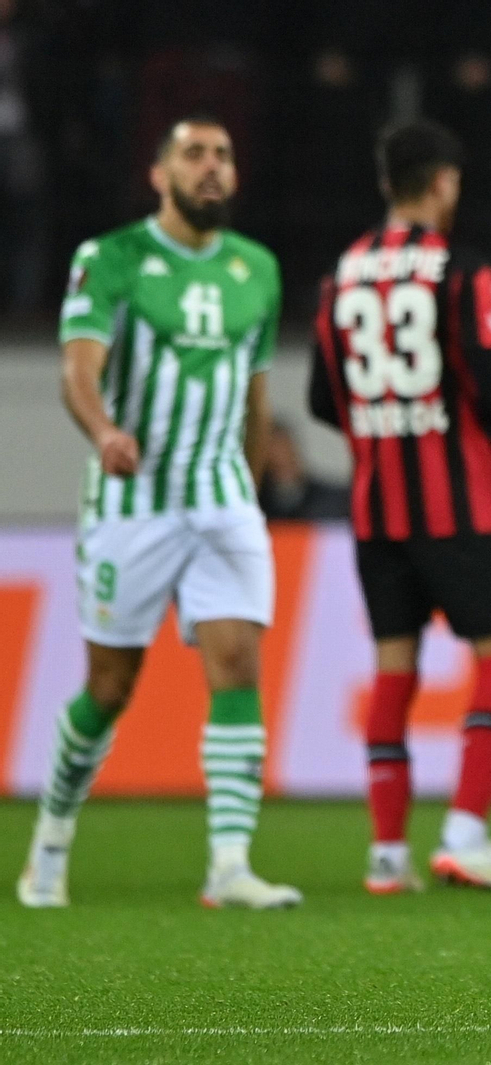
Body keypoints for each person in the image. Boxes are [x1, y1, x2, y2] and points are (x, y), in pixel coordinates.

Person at [19, 116, 299, 910]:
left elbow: (255, 388)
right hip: (133, 503)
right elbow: (80, 368)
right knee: (110, 685)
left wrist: (248, 484)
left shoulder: (258, 269)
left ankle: (230, 864)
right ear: (160, 174)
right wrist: (105, 432)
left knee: (238, 663)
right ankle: (52, 839)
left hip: (221, 500)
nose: (211, 168)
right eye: (194, 155)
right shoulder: (110, 259)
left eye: (223, 156)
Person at [309, 120, 491, 896]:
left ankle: (385, 854)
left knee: (394, 669)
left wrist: (380, 434)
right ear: (445, 180)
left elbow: (319, 396)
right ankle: (467, 832)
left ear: (386, 183)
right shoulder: (459, 269)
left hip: (377, 506)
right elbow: (490, 379)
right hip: (459, 501)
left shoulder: (341, 274)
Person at [257, 419, 349, 520]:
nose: (280, 460)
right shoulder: (256, 504)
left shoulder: (334, 500)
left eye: (285, 454)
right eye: (274, 463)